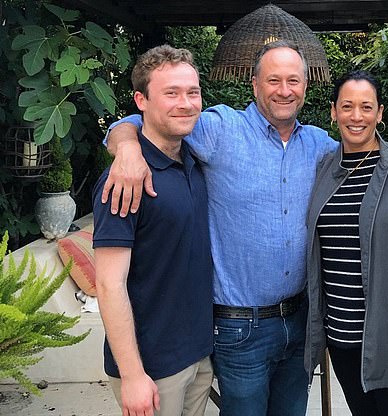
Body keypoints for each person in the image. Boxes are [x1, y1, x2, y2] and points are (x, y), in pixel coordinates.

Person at [102, 40, 338, 416]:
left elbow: (365, 152)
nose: (284, 90)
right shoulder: (220, 130)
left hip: (298, 322)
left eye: (294, 80)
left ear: (306, 87)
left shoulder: (319, 145)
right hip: (240, 328)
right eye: (273, 80)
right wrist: (127, 145)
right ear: (255, 85)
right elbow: (150, 118)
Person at [92, 45, 214, 416]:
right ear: (141, 100)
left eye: (192, 92)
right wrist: (132, 376)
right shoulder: (124, 180)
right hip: (152, 367)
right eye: (171, 93)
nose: (186, 103)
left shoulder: (195, 159)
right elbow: (108, 284)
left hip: (198, 354)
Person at [304, 71, 388, 415]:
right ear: (333, 112)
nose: (356, 117)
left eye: (366, 107)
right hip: (341, 338)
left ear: (380, 113)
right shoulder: (324, 167)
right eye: (347, 106)